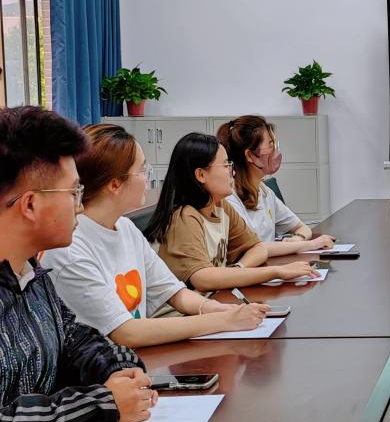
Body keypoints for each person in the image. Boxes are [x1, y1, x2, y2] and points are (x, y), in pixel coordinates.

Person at [0, 107, 157, 422]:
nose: (81, 207)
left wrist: (117, 369)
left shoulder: (32, 275)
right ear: (30, 204)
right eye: (74, 192)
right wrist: (102, 405)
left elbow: (74, 339)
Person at [42, 124, 270, 348]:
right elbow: (126, 332)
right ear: (115, 184)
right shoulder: (70, 249)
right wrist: (224, 321)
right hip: (108, 366)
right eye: (143, 170)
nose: (148, 177)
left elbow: (174, 291)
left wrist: (219, 309)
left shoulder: (125, 227)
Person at [143, 133, 320, 291]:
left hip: (213, 302)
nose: (232, 172)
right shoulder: (185, 217)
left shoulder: (220, 206)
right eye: (225, 165)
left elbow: (258, 248)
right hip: (184, 313)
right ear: (201, 175)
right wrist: (276, 271)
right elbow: (203, 279)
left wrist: (238, 270)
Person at [217, 116, 334, 248]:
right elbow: (254, 248)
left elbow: (301, 227)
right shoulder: (230, 198)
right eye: (270, 145)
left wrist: (298, 238)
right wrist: (309, 245)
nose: (275, 151)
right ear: (250, 156)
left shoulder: (264, 191)